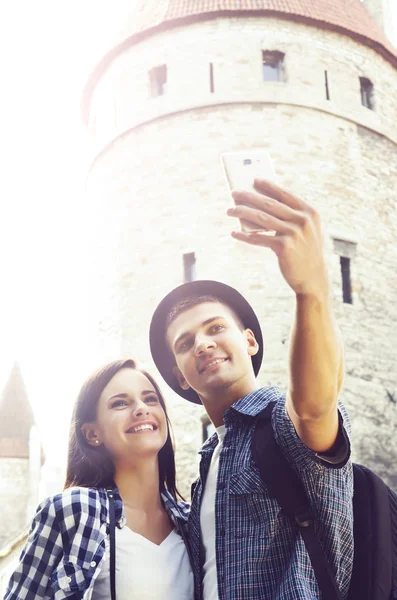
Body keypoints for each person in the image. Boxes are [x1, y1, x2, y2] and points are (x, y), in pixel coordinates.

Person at [149, 178, 353, 599]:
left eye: (216, 328)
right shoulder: (207, 464)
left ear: (250, 342)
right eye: (185, 343)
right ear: (181, 376)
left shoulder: (281, 419)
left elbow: (315, 407)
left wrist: (311, 291)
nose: (203, 343)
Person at [5, 358, 194, 600]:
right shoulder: (73, 510)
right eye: (120, 403)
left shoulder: (191, 523)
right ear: (92, 433)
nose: (141, 408)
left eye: (150, 399)